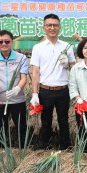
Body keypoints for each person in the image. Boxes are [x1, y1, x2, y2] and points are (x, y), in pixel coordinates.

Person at [30, 14, 75, 150]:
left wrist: (67, 65)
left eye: (55, 25)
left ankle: (65, 147)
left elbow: (74, 68)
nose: (52, 28)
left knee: (63, 120)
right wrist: (34, 93)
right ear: (44, 28)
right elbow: (35, 72)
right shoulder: (38, 47)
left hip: (62, 90)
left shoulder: (67, 46)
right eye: (49, 25)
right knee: (46, 121)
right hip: (45, 91)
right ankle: (45, 146)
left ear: (59, 27)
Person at [0, 30, 28, 147]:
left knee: (21, 126)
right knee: (0, 127)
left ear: (12, 42)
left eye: (7, 41)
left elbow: (24, 77)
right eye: (0, 42)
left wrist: (17, 89)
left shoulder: (21, 58)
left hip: (17, 99)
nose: (4, 44)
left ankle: (23, 148)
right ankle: (1, 148)